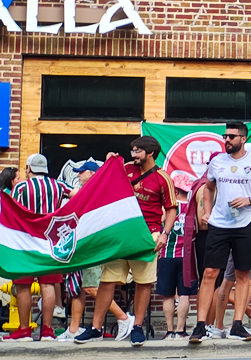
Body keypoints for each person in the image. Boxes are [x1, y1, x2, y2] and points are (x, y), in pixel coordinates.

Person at [78, 138, 178, 346]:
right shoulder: (124, 169)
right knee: (107, 280)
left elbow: (171, 209)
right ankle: (96, 327)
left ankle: (137, 327)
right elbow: (104, 181)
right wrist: (108, 163)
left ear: (151, 153)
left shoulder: (163, 178)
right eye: (132, 150)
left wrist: (164, 234)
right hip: (122, 233)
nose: (133, 154)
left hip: (147, 234)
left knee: (144, 282)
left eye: (139, 150)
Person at [188, 123, 251, 344]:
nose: (227, 140)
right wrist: (207, 212)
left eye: (232, 136)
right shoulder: (217, 162)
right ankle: (200, 326)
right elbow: (208, 187)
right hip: (219, 225)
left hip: (245, 224)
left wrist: (250, 200)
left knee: (242, 274)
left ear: (243, 139)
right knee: (209, 273)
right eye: (225, 136)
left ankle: (237, 324)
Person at [60, 160, 131, 342]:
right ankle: (74, 328)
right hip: (84, 244)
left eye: (81, 172)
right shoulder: (93, 191)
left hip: (94, 245)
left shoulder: (97, 191)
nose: (78, 175)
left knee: (91, 287)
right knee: (78, 289)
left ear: (92, 173)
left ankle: (124, 318)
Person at [5, 153, 71, 342]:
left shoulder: (21, 187)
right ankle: (47, 331)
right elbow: (78, 195)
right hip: (50, 241)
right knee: (48, 284)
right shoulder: (58, 185)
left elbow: (13, 209)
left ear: (28, 169)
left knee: (23, 284)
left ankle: (25, 330)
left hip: (25, 241)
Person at [158, 170, 198, 340]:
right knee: (184, 294)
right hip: (186, 257)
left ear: (174, 190)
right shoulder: (192, 208)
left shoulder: (166, 209)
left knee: (167, 294)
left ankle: (169, 331)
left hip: (166, 254)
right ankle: (181, 330)